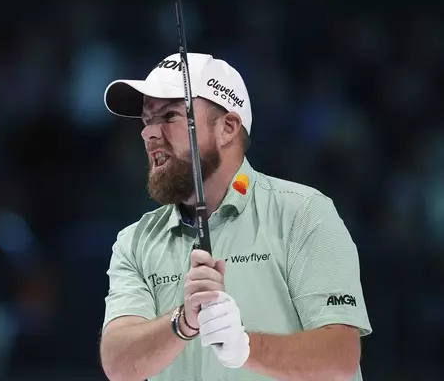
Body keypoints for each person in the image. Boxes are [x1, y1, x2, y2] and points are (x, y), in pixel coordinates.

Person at [99, 53, 372, 381]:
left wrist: (244, 347)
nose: (148, 134)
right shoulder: (135, 241)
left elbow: (340, 356)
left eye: (169, 115)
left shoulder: (302, 212)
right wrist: (182, 321)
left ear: (228, 127)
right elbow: (118, 364)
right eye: (146, 120)